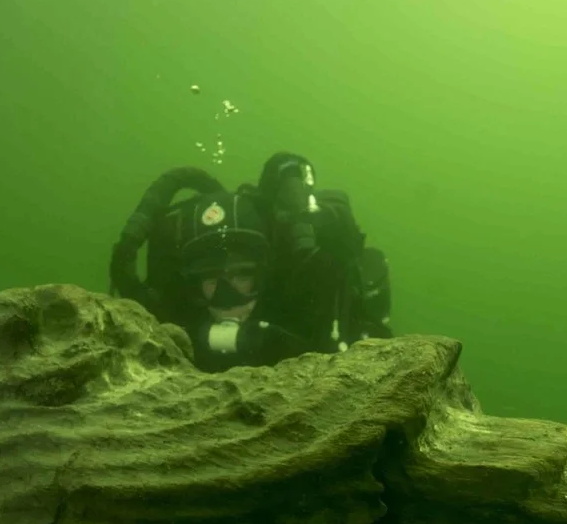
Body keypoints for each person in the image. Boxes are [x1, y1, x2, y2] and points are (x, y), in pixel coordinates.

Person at [108, 153, 392, 372]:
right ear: (191, 286)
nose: (226, 296)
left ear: (265, 275)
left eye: (242, 276)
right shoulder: (174, 314)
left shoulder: (298, 305)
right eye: (210, 280)